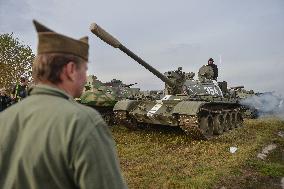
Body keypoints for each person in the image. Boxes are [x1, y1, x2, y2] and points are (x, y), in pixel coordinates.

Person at [0, 20, 127, 189]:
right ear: (71, 70)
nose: (85, 77)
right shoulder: (83, 121)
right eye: (85, 69)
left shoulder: (5, 119)